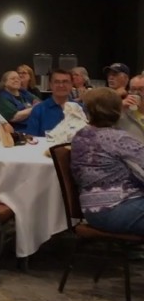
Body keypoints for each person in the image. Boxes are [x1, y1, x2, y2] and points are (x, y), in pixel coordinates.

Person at [71, 88, 144, 235]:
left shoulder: (81, 135)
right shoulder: (118, 138)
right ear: (118, 111)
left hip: (93, 210)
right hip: (118, 208)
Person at [25, 69, 77, 137]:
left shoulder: (81, 109)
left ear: (71, 85)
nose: (61, 85)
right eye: (56, 82)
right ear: (50, 85)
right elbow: (31, 139)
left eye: (65, 82)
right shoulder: (38, 110)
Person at [115, 74, 144, 144]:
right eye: (133, 89)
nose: (137, 93)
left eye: (141, 89)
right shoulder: (122, 112)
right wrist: (119, 107)